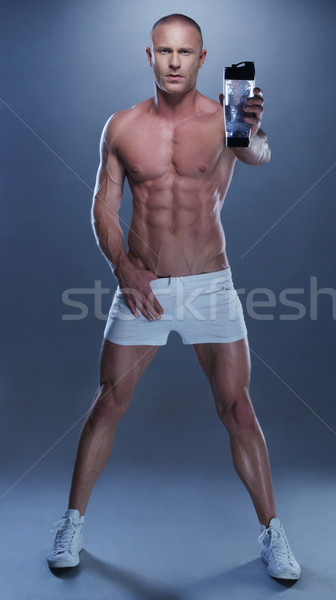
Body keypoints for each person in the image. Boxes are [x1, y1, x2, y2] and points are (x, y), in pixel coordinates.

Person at [47, 13, 301, 581]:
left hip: (210, 285)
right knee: (109, 403)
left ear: (203, 59)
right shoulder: (122, 126)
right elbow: (102, 207)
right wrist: (123, 271)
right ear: (149, 56)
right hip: (143, 287)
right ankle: (71, 523)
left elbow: (258, 155)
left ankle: (273, 535)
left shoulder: (226, 121)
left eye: (186, 52)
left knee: (238, 410)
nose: (175, 61)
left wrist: (252, 130)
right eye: (165, 51)